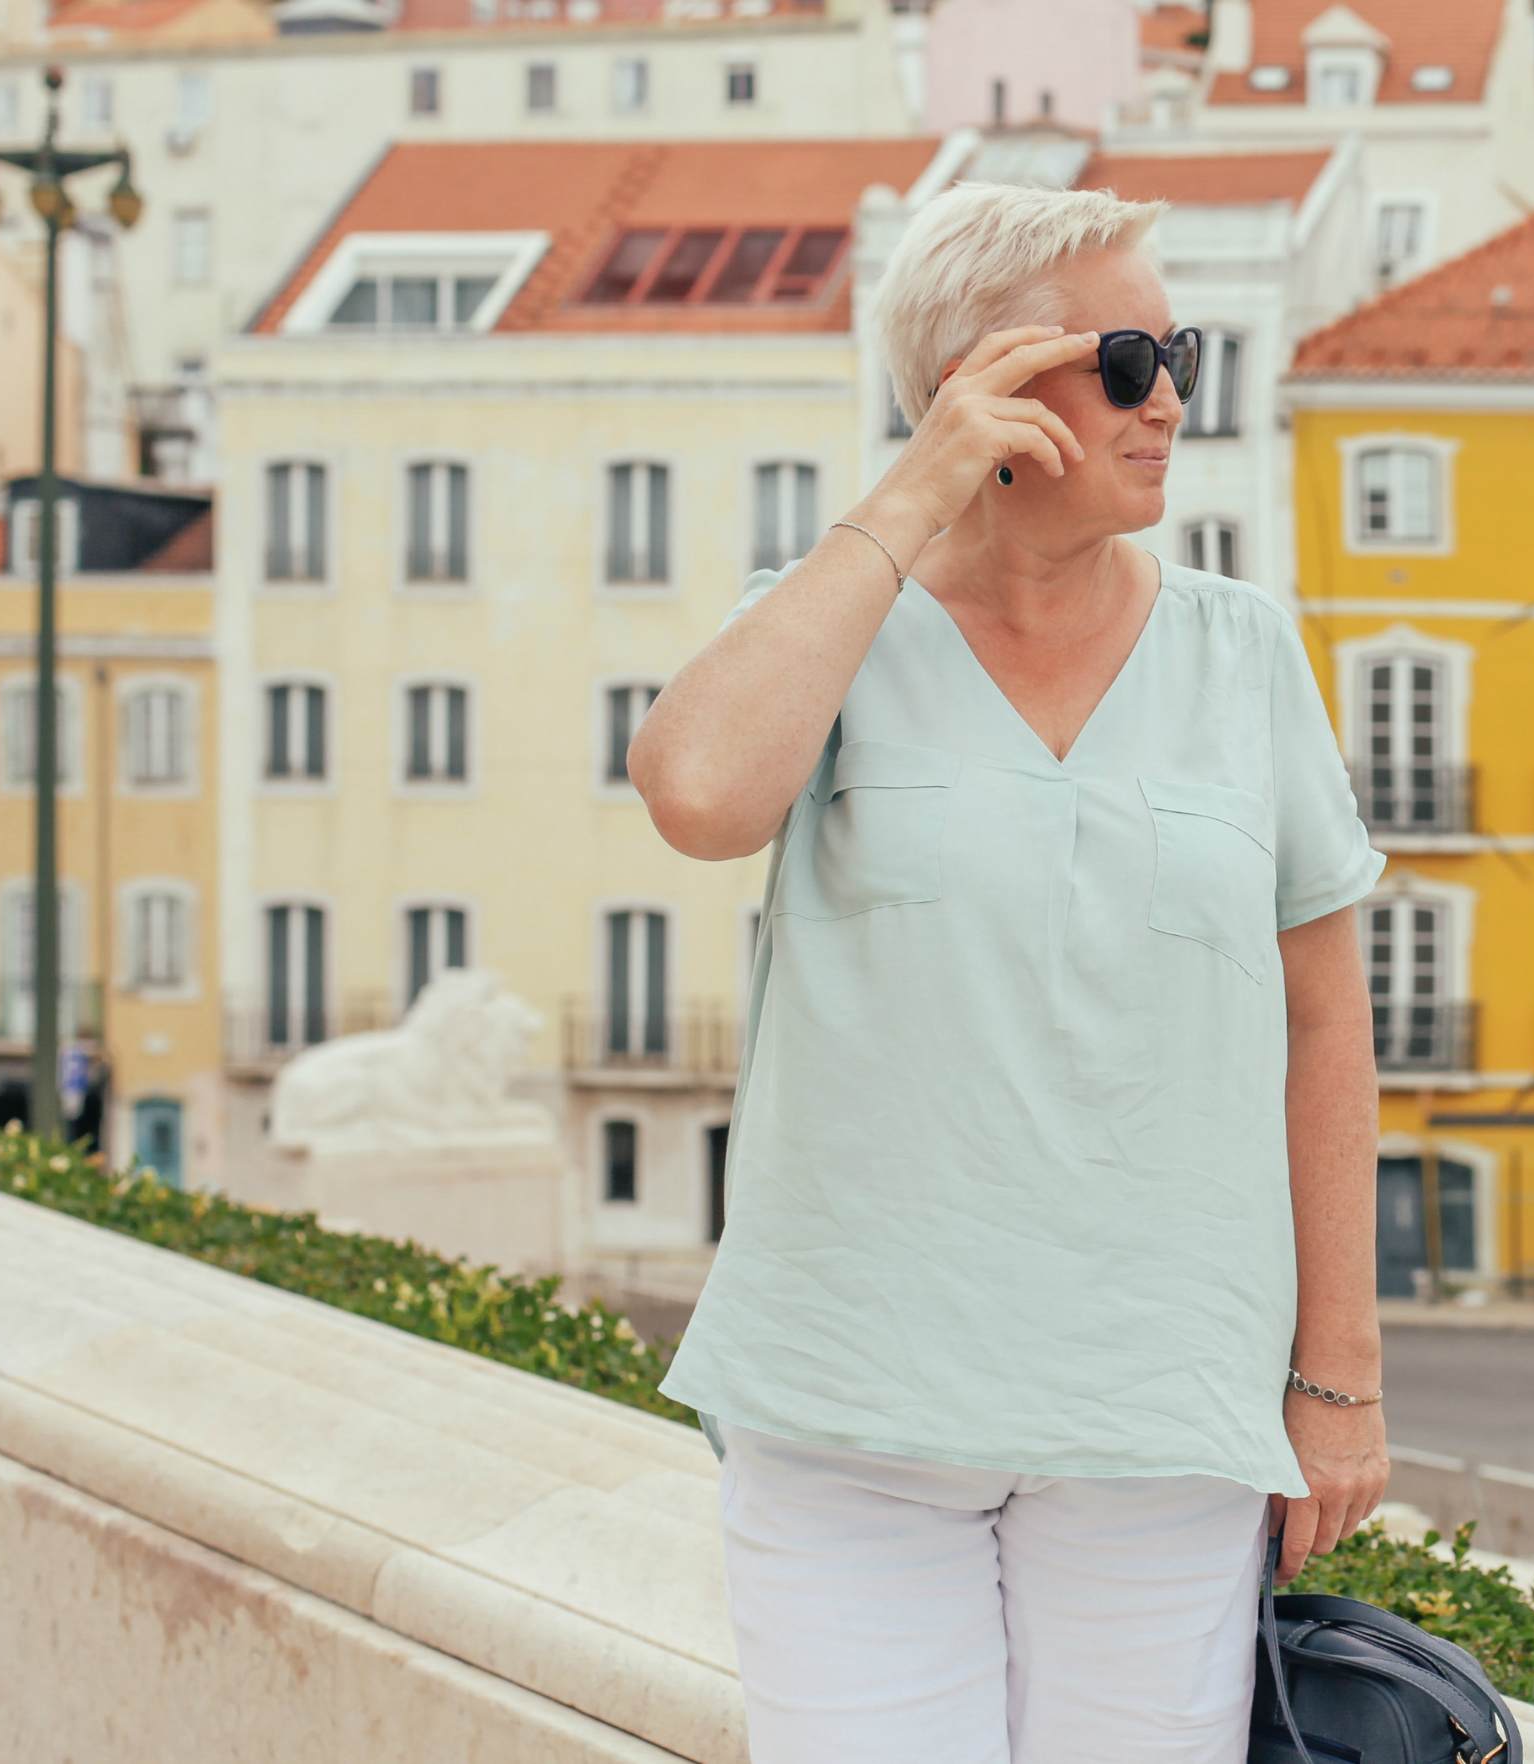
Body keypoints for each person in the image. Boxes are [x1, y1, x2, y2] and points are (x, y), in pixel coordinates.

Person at [627, 183, 1390, 1764]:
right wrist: (911, 498)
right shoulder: (834, 630)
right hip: (850, 1408)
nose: (1170, 394)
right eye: (1122, 356)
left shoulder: (1245, 655)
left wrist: (1340, 1381)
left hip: (1155, 1414)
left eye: (1174, 348)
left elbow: (1325, 1023)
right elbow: (697, 793)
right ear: (984, 382)